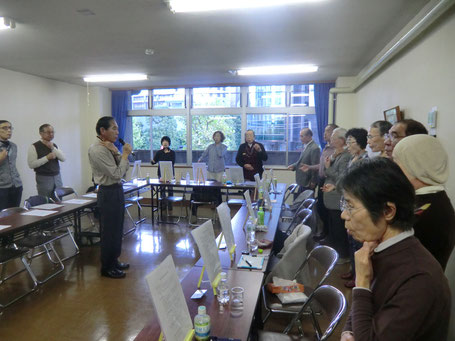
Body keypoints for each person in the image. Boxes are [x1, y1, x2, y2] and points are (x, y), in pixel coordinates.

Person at [339, 158, 450, 341]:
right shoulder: (379, 249)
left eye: (350, 206)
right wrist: (347, 332)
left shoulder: (418, 278)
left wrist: (362, 281)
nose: (344, 214)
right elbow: (364, 308)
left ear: (388, 211)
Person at [393, 134, 455, 270]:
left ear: (415, 166)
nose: (393, 170)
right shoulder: (428, 198)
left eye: (397, 163)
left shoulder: (430, 207)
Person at [88, 116, 132, 279]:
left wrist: (117, 153)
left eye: (117, 128)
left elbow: (123, 170)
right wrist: (124, 154)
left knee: (117, 228)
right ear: (102, 131)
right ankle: (107, 267)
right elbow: (116, 174)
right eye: (114, 128)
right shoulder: (97, 149)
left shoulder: (110, 147)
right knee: (109, 231)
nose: (117, 132)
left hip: (117, 190)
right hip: (108, 192)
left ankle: (114, 260)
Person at [342, 128, 368, 288]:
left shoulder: (365, 161)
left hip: (356, 209)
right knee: (351, 242)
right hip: (348, 207)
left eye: (351, 142)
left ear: (360, 142)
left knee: (357, 244)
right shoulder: (354, 158)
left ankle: (358, 276)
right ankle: (352, 270)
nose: (348, 146)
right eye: (348, 142)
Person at [321, 127, 350, 261]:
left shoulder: (345, 157)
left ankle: (342, 256)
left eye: (333, 137)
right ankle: (334, 253)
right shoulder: (336, 154)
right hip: (331, 199)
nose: (330, 140)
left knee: (339, 230)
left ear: (341, 140)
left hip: (337, 198)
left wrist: (328, 168)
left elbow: (341, 178)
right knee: (333, 228)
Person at [312, 124, 338, 242]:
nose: (324, 134)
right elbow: (322, 165)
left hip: (330, 182)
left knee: (325, 209)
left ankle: (327, 235)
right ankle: (324, 232)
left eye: (327, 131)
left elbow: (331, 168)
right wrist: (310, 167)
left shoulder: (336, 151)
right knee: (320, 207)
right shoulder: (326, 147)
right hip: (321, 180)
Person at [27, 124, 65, 200]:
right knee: (46, 201)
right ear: (41, 133)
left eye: (52, 132)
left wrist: (53, 148)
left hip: (57, 177)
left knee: (59, 200)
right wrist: (47, 158)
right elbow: (31, 164)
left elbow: (63, 158)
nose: (51, 134)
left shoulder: (54, 145)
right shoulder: (34, 146)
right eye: (48, 132)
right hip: (44, 178)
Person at [287, 128, 320, 198]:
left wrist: (313, 181)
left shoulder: (314, 148)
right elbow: (302, 162)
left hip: (308, 182)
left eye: (302, 136)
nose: (300, 138)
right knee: (299, 202)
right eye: (300, 136)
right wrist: (294, 166)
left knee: (305, 204)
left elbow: (315, 166)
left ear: (309, 136)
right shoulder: (306, 146)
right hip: (302, 181)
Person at [0, 120, 22, 210]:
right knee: (3, 218)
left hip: (16, 185)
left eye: (10, 128)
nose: (8, 131)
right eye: (5, 128)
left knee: (15, 214)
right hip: (1, 187)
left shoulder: (13, 146)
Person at [151, 136, 176, 210]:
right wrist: (152, 161)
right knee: (162, 190)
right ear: (162, 143)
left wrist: (167, 154)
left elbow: (172, 162)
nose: (165, 143)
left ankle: (170, 206)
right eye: (163, 141)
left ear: (169, 143)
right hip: (161, 173)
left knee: (170, 190)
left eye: (166, 141)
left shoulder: (172, 153)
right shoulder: (159, 152)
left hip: (170, 173)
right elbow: (154, 161)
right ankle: (163, 206)